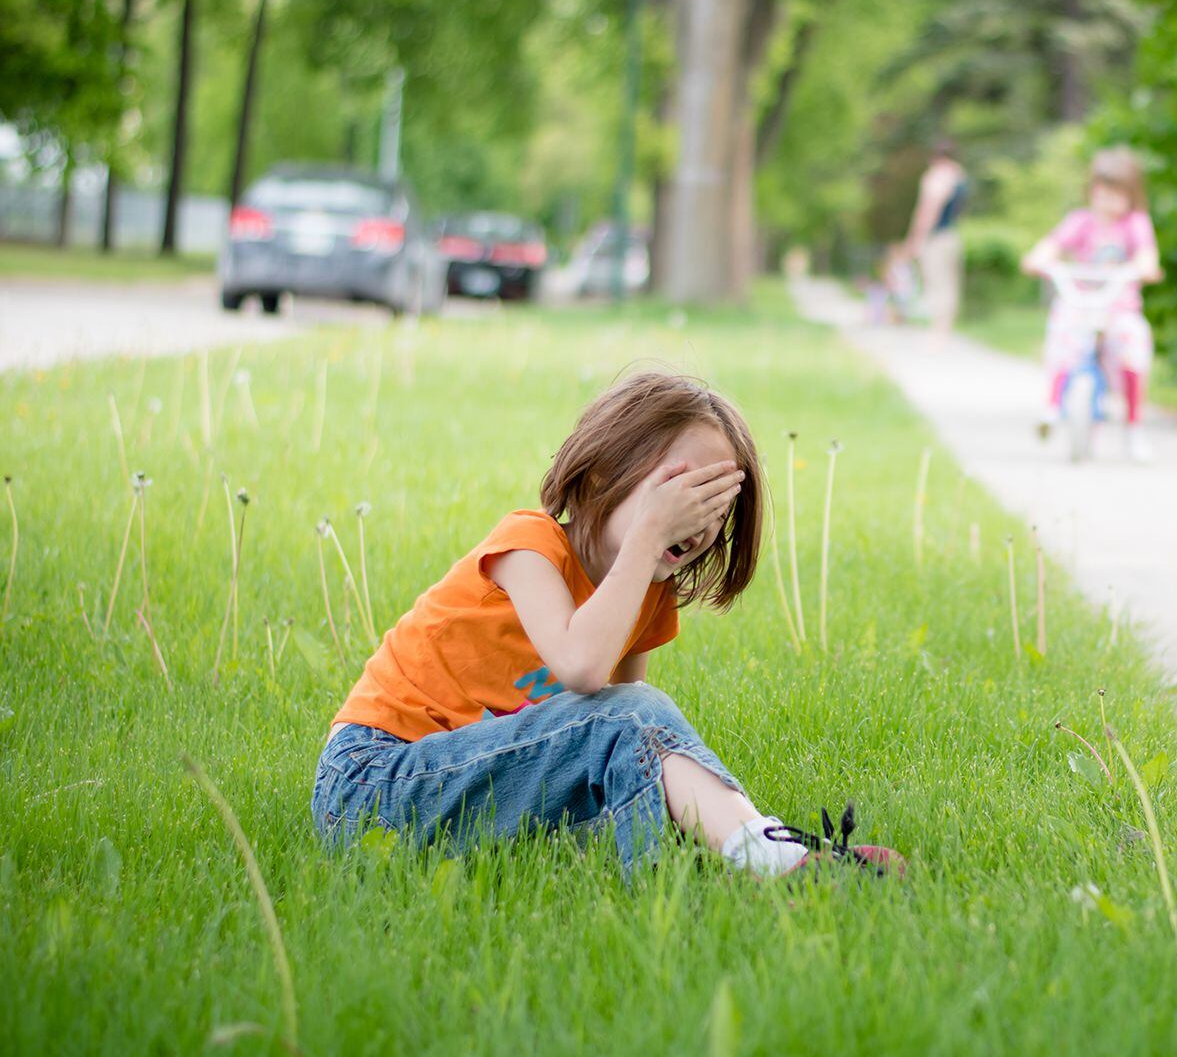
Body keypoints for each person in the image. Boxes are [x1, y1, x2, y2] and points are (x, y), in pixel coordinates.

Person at [311, 372, 903, 878]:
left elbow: (623, 743)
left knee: (629, 744)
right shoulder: (529, 546)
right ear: (604, 473)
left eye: (713, 507)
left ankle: (722, 864)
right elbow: (585, 671)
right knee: (633, 709)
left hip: (472, 788)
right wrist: (647, 536)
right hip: (374, 784)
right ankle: (766, 856)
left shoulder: (646, 592)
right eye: (681, 491)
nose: (693, 521)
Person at [1021, 147, 1163, 462]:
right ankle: (1053, 406)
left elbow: (1146, 256)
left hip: (1118, 306)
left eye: (1117, 194)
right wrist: (1038, 259)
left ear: (1131, 195)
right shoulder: (1081, 221)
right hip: (1080, 303)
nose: (1108, 201)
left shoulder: (1134, 225)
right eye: (1102, 193)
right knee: (1062, 335)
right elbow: (1052, 245)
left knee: (1133, 345)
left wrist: (1145, 266)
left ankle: (1134, 426)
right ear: (1092, 191)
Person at [906, 140, 969, 344]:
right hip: (953, 235)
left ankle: (937, 332)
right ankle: (945, 330)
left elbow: (928, 210)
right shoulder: (960, 176)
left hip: (936, 238)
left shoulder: (937, 177)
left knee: (936, 283)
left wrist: (916, 239)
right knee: (950, 285)